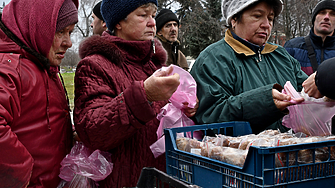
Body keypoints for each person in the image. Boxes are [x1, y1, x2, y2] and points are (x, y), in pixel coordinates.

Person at [73, 0, 198, 187]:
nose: (152, 23)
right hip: (125, 181)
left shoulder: (155, 65)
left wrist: (185, 106)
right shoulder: (94, 65)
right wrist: (144, 95)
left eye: (153, 16)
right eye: (142, 15)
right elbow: (92, 131)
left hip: (161, 178)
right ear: (118, 22)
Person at [190, 0, 308, 134]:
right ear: (234, 19)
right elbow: (210, 116)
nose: (266, 25)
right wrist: (265, 102)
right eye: (257, 16)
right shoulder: (213, 59)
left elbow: (307, 91)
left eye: (270, 18)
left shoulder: (281, 56)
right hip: (242, 153)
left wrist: (320, 85)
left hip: (288, 152)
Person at [0, 0, 78, 187]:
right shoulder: (10, 69)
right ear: (35, 25)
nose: (68, 42)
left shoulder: (43, 66)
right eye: (60, 31)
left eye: (70, 32)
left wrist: (71, 133)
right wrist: (21, 174)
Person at [284, 0, 335, 76]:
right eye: (322, 12)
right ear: (314, 19)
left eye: (333, 14)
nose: (326, 17)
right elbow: (282, 80)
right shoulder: (292, 47)